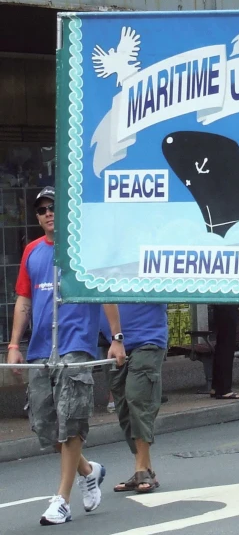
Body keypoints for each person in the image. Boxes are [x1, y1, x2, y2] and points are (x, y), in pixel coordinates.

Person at [6, 186, 126, 526]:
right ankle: (90, 471)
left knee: (71, 421)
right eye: (42, 209)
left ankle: (62, 499)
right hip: (41, 349)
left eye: (52, 207)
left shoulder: (83, 250)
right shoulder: (31, 252)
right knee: (44, 426)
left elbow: (105, 291)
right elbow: (24, 301)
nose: (47, 213)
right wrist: (15, 345)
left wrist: (116, 338)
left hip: (76, 345)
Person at [107, 304, 168, 494]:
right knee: (123, 406)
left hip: (147, 338)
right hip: (112, 343)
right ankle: (145, 469)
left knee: (138, 399)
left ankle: (141, 468)